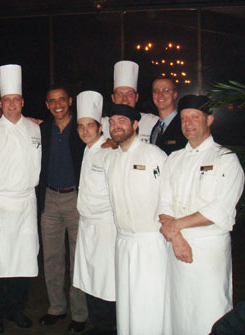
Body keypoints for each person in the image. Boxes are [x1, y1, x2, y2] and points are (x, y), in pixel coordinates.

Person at [157, 95, 244, 335]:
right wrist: (177, 238)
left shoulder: (225, 159)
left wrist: (176, 227)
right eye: (184, 118)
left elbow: (220, 209)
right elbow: (163, 203)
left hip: (209, 252)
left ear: (210, 120)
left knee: (210, 311)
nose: (188, 123)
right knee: (178, 311)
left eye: (195, 117)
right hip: (176, 248)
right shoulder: (173, 159)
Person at [0, 64, 41, 334]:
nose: (12, 104)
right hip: (0, 204)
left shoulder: (35, 129)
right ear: (1, 103)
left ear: (22, 102)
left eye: (16, 100)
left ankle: (16, 310)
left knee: (23, 262)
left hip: (27, 203)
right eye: (7, 100)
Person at [104, 104, 167, 335]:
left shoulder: (154, 155)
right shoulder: (110, 160)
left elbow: (168, 197)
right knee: (127, 302)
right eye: (112, 122)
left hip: (150, 242)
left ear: (135, 125)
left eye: (121, 121)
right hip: (123, 241)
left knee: (149, 302)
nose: (116, 126)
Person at [37, 84, 88, 333]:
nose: (57, 104)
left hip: (76, 198)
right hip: (49, 198)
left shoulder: (83, 128)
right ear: (47, 105)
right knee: (51, 257)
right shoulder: (42, 129)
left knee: (78, 258)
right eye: (52, 101)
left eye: (61, 100)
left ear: (70, 102)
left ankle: (79, 313)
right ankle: (56, 307)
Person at [72, 91, 117, 335]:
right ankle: (98, 325)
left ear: (101, 128)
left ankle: (108, 327)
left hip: (105, 225)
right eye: (81, 126)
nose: (85, 131)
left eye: (90, 126)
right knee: (90, 277)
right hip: (87, 224)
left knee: (106, 279)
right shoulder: (88, 150)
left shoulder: (109, 151)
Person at [101, 60, 159, 144]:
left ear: (136, 97)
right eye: (119, 94)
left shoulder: (152, 121)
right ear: (113, 98)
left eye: (130, 93)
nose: (124, 99)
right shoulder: (103, 124)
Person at [149, 77, 187, 154]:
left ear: (175, 95)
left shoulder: (184, 124)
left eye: (166, 90)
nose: (160, 95)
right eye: (156, 91)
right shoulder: (155, 129)